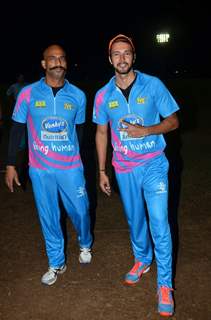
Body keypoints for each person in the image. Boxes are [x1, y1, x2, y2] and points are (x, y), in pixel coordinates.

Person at [92, 34, 180, 317]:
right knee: (135, 219)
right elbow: (102, 131)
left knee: (159, 220)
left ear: (133, 56)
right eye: (116, 54)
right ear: (110, 59)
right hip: (124, 168)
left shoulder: (153, 85)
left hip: (154, 164)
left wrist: (147, 130)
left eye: (126, 53)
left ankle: (165, 284)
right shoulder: (103, 95)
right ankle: (142, 259)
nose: (122, 58)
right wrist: (102, 170)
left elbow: (174, 121)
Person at [5, 44, 93, 286]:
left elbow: (81, 130)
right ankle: (56, 262)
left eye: (62, 58)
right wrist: (12, 164)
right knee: (48, 216)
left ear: (66, 62)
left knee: (82, 211)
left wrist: (77, 157)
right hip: (41, 169)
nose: (58, 62)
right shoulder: (28, 94)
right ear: (44, 64)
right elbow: (17, 129)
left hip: (70, 167)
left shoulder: (78, 96)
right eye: (52, 59)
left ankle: (85, 242)